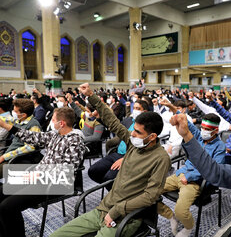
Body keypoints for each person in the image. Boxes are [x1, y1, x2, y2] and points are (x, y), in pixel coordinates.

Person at [51, 83, 170, 237]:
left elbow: (150, 197)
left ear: (152, 136)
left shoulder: (161, 158)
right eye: (133, 130)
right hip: (103, 209)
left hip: (127, 217)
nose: (132, 134)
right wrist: (91, 96)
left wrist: (116, 211)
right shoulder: (133, 143)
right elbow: (113, 122)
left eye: (138, 132)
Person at [0, 107, 85, 237]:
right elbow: (33, 137)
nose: (51, 121)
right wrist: (7, 126)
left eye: (53, 119)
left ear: (61, 123)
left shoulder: (75, 141)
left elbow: (67, 170)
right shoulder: (55, 134)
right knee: (0, 192)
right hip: (38, 176)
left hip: (56, 183)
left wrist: (40, 175)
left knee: (7, 207)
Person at [158, 100, 225, 236]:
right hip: (181, 173)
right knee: (149, 191)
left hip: (195, 182)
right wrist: (171, 107)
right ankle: (171, 216)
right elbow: (185, 121)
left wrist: (190, 177)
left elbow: (213, 171)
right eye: (203, 128)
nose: (203, 131)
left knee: (181, 210)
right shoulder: (199, 136)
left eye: (207, 129)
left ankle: (188, 228)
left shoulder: (220, 148)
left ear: (216, 130)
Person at [0, 99, 41, 177]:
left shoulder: (33, 125)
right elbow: (8, 120)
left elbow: (30, 148)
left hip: (16, 160)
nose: (13, 112)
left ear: (23, 114)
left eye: (15, 112)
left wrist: (5, 156)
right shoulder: (20, 121)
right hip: (9, 155)